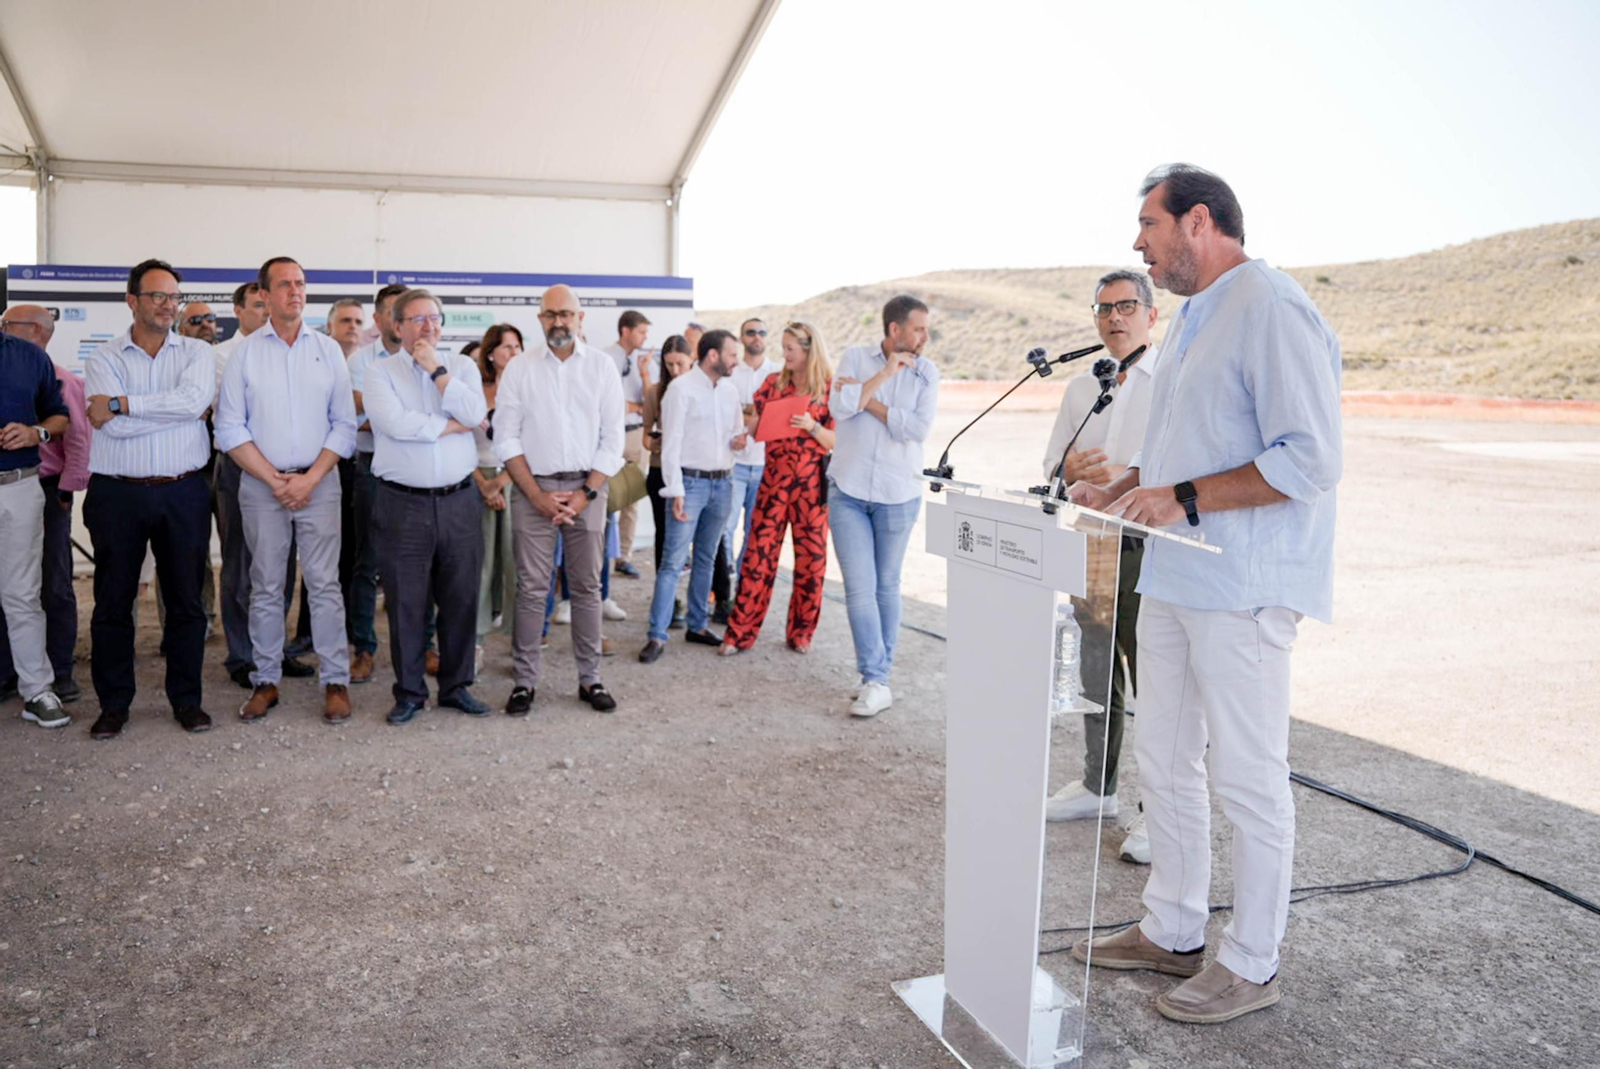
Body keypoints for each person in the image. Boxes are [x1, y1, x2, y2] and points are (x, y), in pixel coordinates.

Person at [1068, 164, 1342, 1026]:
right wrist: (1124, 487)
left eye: (1147, 225)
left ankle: (1253, 961)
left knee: (1249, 777)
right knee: (1164, 758)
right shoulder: (1191, 317)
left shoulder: (1272, 307)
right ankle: (1173, 925)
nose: (1138, 243)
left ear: (1197, 221)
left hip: (1242, 584)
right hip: (1175, 573)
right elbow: (1178, 449)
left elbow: (1310, 458)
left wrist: (1181, 498)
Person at [1039, 270, 1164, 867]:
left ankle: (1158, 813)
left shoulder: (1172, 381)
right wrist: (1069, 471)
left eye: (1126, 306)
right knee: (1095, 669)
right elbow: (1051, 466)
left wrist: (1123, 481)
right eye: (1103, 308)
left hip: (1149, 549)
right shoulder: (1081, 385)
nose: (1114, 317)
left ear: (1151, 315)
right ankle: (1098, 786)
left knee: (1156, 681)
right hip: (1091, 543)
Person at [215, 256, 358, 725]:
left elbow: (344, 425)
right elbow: (229, 427)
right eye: (284, 284)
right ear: (264, 294)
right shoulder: (246, 354)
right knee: (265, 585)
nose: (295, 291)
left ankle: (335, 681)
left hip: (320, 484)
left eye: (300, 283)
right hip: (262, 487)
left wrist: (310, 478)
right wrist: (274, 479)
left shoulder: (328, 350)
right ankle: (265, 680)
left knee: (324, 585)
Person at [81, 259, 216, 739]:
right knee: (113, 602)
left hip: (183, 491)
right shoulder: (103, 358)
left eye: (173, 296)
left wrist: (123, 404)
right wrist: (169, 414)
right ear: (132, 301)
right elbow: (109, 427)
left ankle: (187, 700)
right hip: (118, 493)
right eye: (157, 296)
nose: (167, 305)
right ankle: (114, 705)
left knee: (186, 603)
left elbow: (193, 403)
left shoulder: (197, 354)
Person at [492, 283, 624, 714]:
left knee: (586, 586)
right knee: (532, 589)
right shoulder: (520, 369)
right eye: (550, 314)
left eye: (566, 313)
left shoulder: (602, 367)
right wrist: (536, 495)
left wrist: (586, 493)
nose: (559, 321)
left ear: (580, 318)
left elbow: (613, 439)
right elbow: (506, 438)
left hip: (589, 488)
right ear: (540, 319)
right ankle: (524, 682)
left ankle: (591, 680)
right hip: (534, 488)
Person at [363, 289, 490, 724]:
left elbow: (475, 412)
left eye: (434, 318)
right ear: (396, 326)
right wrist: (452, 426)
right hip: (403, 504)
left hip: (459, 501)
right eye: (417, 319)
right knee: (406, 603)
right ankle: (410, 693)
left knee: (461, 598)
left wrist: (437, 371)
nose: (428, 326)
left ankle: (456, 687)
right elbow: (395, 425)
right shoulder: (380, 373)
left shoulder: (462, 367)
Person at [828, 295, 940, 717]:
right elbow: (838, 408)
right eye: (918, 329)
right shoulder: (855, 358)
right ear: (895, 329)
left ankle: (877, 678)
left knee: (886, 586)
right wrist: (884, 375)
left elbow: (917, 429)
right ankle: (875, 678)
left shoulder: (928, 373)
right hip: (849, 490)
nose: (925, 337)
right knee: (858, 588)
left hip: (898, 494)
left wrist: (866, 400)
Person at [213, 280, 307, 688]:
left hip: (289, 470)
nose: (265, 312)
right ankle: (242, 655)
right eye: (256, 305)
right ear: (238, 311)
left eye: (267, 305)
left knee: (280, 562)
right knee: (240, 563)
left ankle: (273, 648)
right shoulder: (222, 355)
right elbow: (231, 416)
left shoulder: (292, 352)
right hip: (241, 468)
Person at [720, 322, 834, 656]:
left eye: (790, 349)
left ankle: (801, 634)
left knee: (812, 564)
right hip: (773, 483)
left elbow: (835, 441)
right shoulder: (773, 383)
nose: (784, 355)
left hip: (812, 489)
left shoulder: (828, 389)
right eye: (783, 348)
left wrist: (811, 426)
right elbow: (757, 429)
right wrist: (752, 427)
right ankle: (739, 634)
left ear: (809, 350)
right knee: (757, 558)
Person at [639, 329, 745, 663]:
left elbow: (734, 437)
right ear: (713, 355)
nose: (736, 361)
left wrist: (739, 442)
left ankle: (697, 626)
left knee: (707, 557)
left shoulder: (730, 391)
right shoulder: (680, 390)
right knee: (672, 562)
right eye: (732, 354)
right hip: (690, 484)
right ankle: (657, 635)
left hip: (723, 483)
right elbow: (670, 443)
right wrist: (675, 489)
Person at [0, 306, 88, 706]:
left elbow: (71, 431)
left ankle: (50, 678)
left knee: (42, 587)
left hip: (35, 488)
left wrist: (65, 490)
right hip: (27, 488)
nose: (5, 327)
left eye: (9, 323)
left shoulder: (46, 368)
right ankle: (10, 672)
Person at [342, 282, 408, 683]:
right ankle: (364, 648)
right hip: (370, 466)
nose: (400, 320)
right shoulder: (359, 361)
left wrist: (381, 411)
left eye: (407, 312)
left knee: (416, 563)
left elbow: (434, 413)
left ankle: (422, 646)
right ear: (379, 319)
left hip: (416, 470)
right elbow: (355, 417)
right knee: (366, 563)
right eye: (393, 312)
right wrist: (402, 415)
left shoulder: (429, 357)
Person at [472, 325, 522, 664]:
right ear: (490, 353)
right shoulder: (473, 392)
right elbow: (459, 440)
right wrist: (484, 484)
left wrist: (502, 481)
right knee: (480, 565)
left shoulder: (527, 391)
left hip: (516, 480)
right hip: (477, 480)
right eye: (506, 347)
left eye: (518, 347)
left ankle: (519, 642)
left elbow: (534, 440)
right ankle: (474, 643)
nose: (513, 353)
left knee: (516, 564)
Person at [723, 318, 780, 596]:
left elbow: (777, 416)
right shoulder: (731, 371)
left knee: (755, 531)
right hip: (733, 463)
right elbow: (725, 411)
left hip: (765, 465)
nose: (757, 337)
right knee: (726, 528)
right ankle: (724, 581)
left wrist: (748, 410)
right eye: (751, 332)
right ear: (742, 338)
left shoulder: (779, 373)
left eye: (762, 332)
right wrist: (758, 412)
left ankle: (742, 585)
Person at [643, 334, 694, 627]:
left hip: (693, 471)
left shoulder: (701, 389)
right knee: (664, 537)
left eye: (680, 364)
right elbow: (646, 439)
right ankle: (669, 602)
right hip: (661, 470)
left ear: (692, 361)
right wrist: (662, 442)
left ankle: (707, 600)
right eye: (669, 364)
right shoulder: (655, 392)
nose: (675, 370)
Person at [602, 310, 650, 579]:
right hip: (610, 435)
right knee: (605, 496)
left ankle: (624, 556)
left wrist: (644, 373)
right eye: (641, 331)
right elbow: (607, 402)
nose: (645, 337)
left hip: (635, 435)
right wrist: (632, 406)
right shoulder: (604, 358)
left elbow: (650, 401)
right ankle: (601, 556)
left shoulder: (646, 362)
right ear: (625, 330)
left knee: (632, 497)